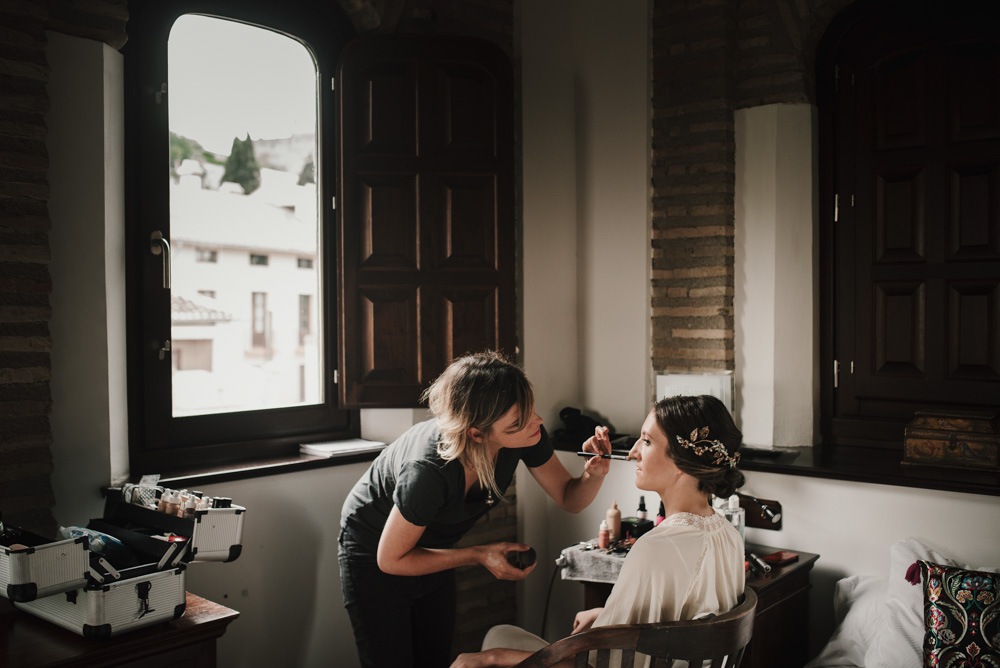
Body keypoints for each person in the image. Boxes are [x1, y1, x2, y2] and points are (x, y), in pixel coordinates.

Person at [338, 351, 613, 668]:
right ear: (477, 433)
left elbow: (569, 497)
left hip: (432, 547)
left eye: (531, 409)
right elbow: (390, 559)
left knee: (434, 657)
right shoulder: (428, 471)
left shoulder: (526, 435)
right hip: (375, 549)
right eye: (518, 421)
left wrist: (594, 474)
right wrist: (478, 554)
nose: (537, 421)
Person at [450, 394, 746, 668]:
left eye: (646, 441)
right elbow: (676, 622)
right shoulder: (729, 536)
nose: (632, 453)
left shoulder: (655, 549)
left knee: (498, 638)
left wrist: (494, 657)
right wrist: (606, 615)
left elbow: (599, 664)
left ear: (682, 461)